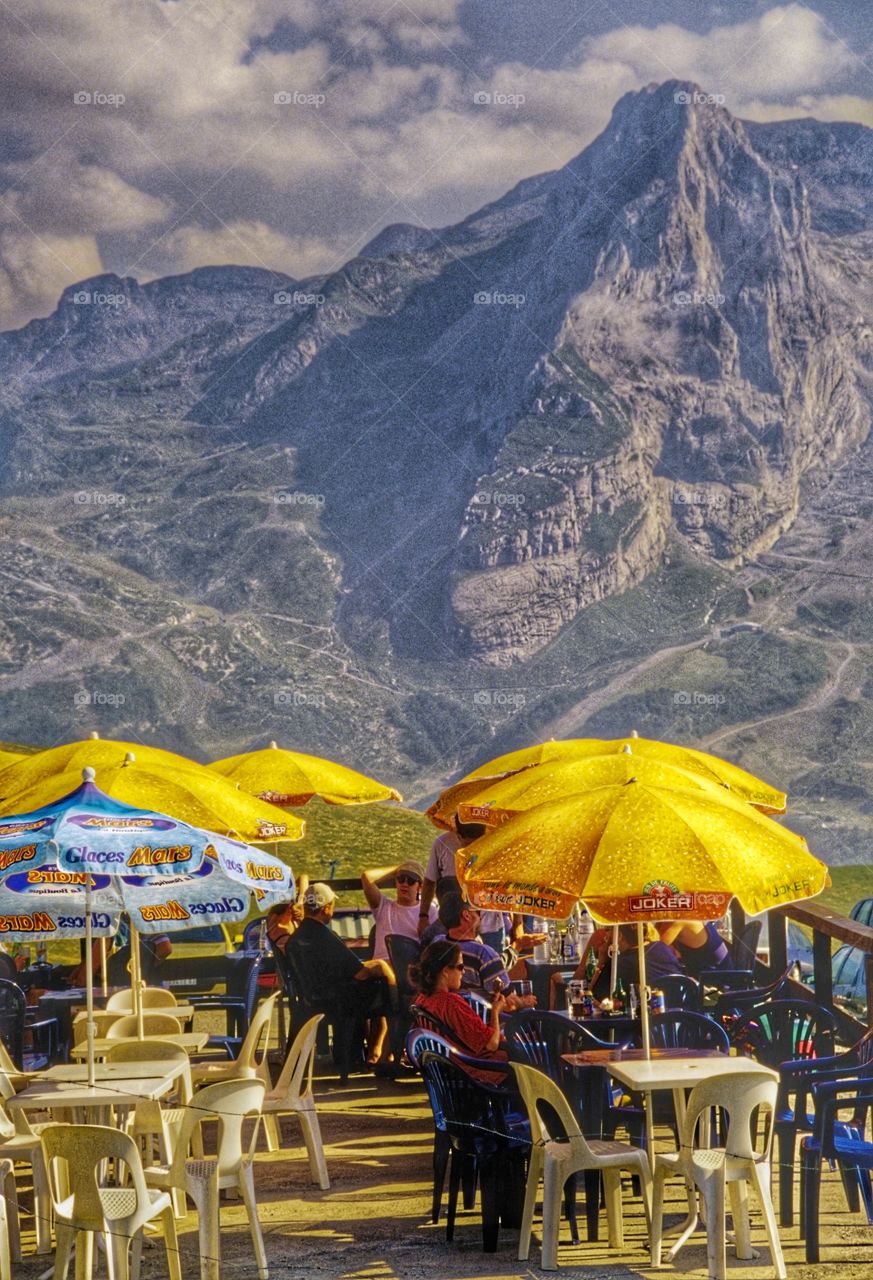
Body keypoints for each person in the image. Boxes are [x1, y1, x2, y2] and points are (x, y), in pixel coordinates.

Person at [286, 882, 398, 1069]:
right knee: (385, 992)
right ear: (326, 907)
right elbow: (358, 971)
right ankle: (382, 1053)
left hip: (313, 1000)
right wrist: (380, 967)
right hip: (339, 1002)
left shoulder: (296, 938)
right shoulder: (325, 937)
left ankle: (363, 1054)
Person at [411, 940, 508, 1083]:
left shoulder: (421, 1000)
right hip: (475, 1072)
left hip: (446, 1073)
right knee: (532, 1058)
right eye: (460, 967)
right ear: (445, 971)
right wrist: (495, 1011)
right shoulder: (450, 1003)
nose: (463, 972)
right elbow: (491, 1044)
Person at [421, 891, 535, 1010]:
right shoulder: (484, 954)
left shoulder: (436, 944)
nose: (480, 917)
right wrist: (524, 1002)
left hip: (444, 1018)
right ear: (467, 915)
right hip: (480, 1021)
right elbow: (510, 1004)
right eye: (478, 911)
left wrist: (516, 948)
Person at [361, 859, 437, 962]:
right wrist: (399, 868)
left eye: (410, 880)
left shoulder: (429, 911)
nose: (404, 884)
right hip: (382, 964)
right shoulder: (383, 906)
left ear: (420, 887)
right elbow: (367, 877)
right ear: (396, 882)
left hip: (409, 966)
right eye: (401, 879)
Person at [656, 920, 731, 978]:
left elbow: (654, 949)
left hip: (717, 974)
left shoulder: (677, 919)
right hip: (705, 968)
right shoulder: (690, 912)